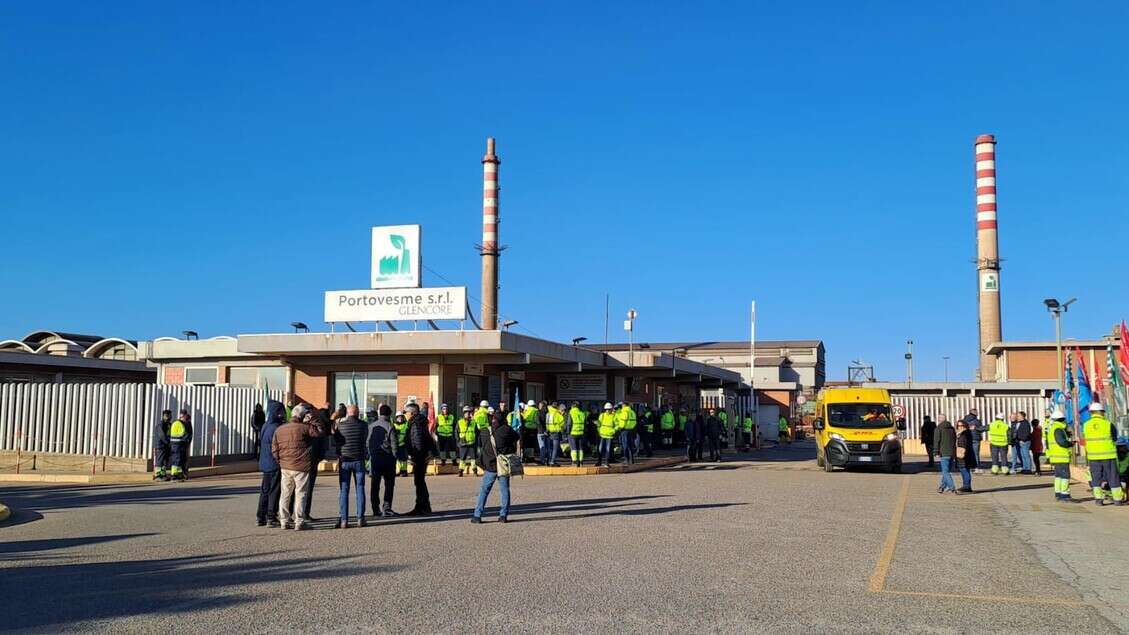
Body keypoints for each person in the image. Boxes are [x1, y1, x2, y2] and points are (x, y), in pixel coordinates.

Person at [272, 404, 323, 530]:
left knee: (285, 494)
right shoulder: (305, 428)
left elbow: (274, 448)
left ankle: (284, 520)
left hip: (285, 466)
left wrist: (280, 461)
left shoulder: (280, 429)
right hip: (301, 466)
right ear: (302, 416)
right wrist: (313, 420)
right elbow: (320, 432)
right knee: (301, 494)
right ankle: (299, 521)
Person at [472, 407, 520, 523]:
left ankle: (477, 515)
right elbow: (517, 437)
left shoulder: (484, 431)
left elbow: (480, 446)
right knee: (504, 490)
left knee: (484, 491)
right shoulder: (506, 430)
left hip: (489, 466)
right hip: (502, 465)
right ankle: (503, 515)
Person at [334, 404, 368, 528]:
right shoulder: (363, 425)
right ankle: (360, 518)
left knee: (344, 490)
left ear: (348, 413)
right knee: (360, 488)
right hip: (359, 459)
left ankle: (344, 520)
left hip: (345, 460)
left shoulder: (340, 426)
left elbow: (336, 443)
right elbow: (365, 440)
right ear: (358, 412)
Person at [1084, 403, 1124, 507]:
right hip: (1108, 455)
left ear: (1091, 413)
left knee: (1096, 478)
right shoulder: (1108, 424)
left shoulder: (1086, 425)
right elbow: (1115, 438)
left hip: (1093, 457)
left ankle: (1099, 499)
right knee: (1113, 477)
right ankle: (1117, 499)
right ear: (1101, 412)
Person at [301, 403, 333, 522]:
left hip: (299, 462)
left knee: (296, 489)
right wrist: (319, 457)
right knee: (307, 488)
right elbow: (322, 440)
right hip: (311, 461)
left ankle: (293, 514)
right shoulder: (318, 424)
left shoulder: (296, 424)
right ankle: (304, 513)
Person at [405, 401, 436, 516]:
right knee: (420, 481)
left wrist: (415, 457)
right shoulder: (418, 422)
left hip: (420, 457)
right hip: (422, 457)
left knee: (419, 481)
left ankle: (421, 507)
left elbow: (418, 443)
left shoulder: (416, 424)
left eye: (407, 412)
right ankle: (424, 506)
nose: (405, 414)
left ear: (412, 413)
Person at [256, 402, 284, 527]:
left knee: (265, 490)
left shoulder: (265, 426)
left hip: (265, 462)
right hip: (274, 463)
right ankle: (271, 516)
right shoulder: (277, 428)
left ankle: (260, 516)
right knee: (274, 490)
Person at [367, 404, 398, 517]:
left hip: (375, 458)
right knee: (389, 484)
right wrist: (394, 458)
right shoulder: (390, 426)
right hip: (388, 458)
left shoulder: (371, 426)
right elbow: (394, 444)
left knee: (375, 484)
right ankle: (387, 507)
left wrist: (371, 454)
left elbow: (367, 442)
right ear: (389, 414)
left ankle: (375, 508)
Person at [1045, 409, 1074, 502]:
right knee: (1065, 476)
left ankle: (1058, 493)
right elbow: (1061, 442)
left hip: (1055, 456)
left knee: (1058, 476)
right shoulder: (1058, 429)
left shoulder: (1052, 428)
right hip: (1062, 456)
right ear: (1062, 419)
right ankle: (1065, 495)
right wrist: (1070, 443)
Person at [933, 414, 956, 494]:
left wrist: (936, 452)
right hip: (952, 453)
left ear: (939, 420)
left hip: (944, 453)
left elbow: (936, 441)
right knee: (947, 471)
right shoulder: (952, 428)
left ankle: (952, 487)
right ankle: (942, 487)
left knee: (945, 472)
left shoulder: (938, 428)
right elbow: (954, 440)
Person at [169, 409, 193, 481]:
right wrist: (187, 439)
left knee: (177, 460)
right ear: (184, 416)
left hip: (175, 444)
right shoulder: (180, 423)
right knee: (177, 460)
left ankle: (177, 474)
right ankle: (175, 476)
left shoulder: (175, 422)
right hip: (178, 444)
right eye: (185, 416)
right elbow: (184, 434)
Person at [955, 419, 976, 493]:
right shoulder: (962, 433)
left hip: (964, 455)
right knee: (964, 470)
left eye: (961, 425)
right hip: (965, 454)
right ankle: (967, 486)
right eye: (958, 425)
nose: (960, 427)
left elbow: (963, 444)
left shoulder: (964, 434)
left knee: (964, 470)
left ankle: (966, 486)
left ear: (965, 426)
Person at [963, 409, 985, 474]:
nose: (977, 413)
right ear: (974, 413)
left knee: (968, 453)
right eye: (977, 412)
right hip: (975, 438)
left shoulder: (964, 420)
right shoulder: (977, 421)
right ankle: (976, 467)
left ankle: (968, 467)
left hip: (967, 438)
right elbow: (981, 429)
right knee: (976, 454)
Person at [153, 409, 172, 481]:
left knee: (164, 461)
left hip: (166, 446)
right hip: (160, 446)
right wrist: (168, 443)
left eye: (169, 415)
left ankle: (163, 474)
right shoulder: (161, 425)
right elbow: (162, 436)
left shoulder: (169, 424)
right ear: (164, 416)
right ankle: (158, 475)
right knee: (160, 460)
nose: (169, 417)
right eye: (167, 415)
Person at [597, 403, 617, 467]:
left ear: (611, 409)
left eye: (609, 409)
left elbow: (617, 425)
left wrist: (613, 431)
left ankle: (606, 463)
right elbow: (598, 424)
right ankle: (599, 462)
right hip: (602, 435)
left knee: (608, 450)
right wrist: (599, 431)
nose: (607, 410)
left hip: (609, 435)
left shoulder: (614, 416)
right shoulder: (602, 415)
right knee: (600, 449)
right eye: (606, 409)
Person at [393, 412, 410, 476]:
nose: (400, 418)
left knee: (403, 459)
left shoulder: (406, 424)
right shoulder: (393, 425)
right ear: (396, 418)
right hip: (395, 444)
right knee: (396, 459)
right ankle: (397, 471)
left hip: (403, 444)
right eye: (398, 417)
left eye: (401, 417)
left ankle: (404, 471)